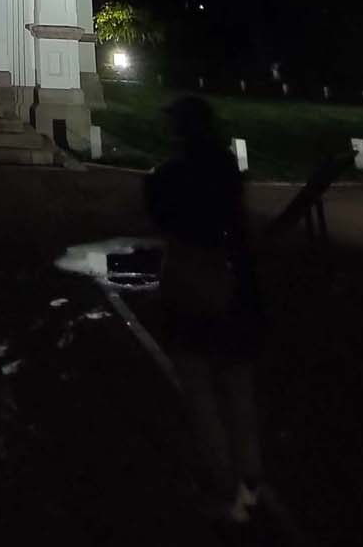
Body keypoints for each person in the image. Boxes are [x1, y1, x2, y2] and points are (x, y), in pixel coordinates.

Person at [143, 95, 263, 525]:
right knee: (237, 386)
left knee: (200, 391)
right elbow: (241, 223)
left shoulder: (173, 174)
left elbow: (158, 214)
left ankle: (224, 487)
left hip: (192, 278)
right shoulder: (227, 170)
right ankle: (251, 480)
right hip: (234, 280)